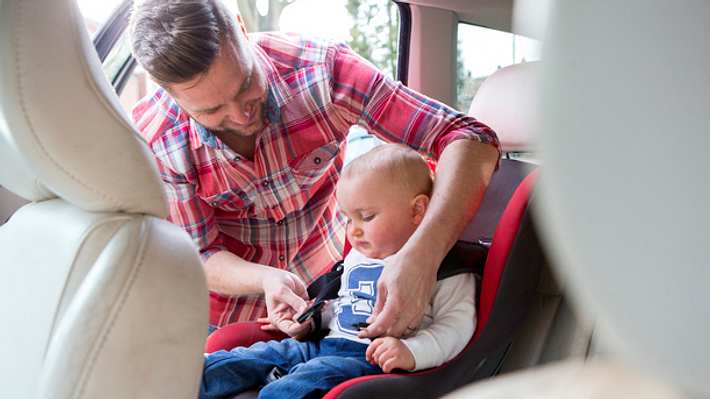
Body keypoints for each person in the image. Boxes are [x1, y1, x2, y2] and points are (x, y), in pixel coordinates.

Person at [129, 0, 499, 337]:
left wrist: (421, 257)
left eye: (245, 84)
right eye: (212, 112)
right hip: (222, 315)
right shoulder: (158, 140)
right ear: (169, 93)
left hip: (329, 297)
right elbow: (200, 254)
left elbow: (470, 139)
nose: (241, 116)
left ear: (242, 29)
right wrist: (267, 279)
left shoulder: (324, 73)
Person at [199, 144, 476, 399]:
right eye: (348, 218)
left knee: (293, 387)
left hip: (367, 360)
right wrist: (311, 320)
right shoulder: (357, 255)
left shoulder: (443, 266)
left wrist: (411, 352)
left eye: (366, 217)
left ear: (417, 210)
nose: (352, 230)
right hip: (323, 345)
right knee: (243, 359)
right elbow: (344, 306)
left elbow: (456, 328)